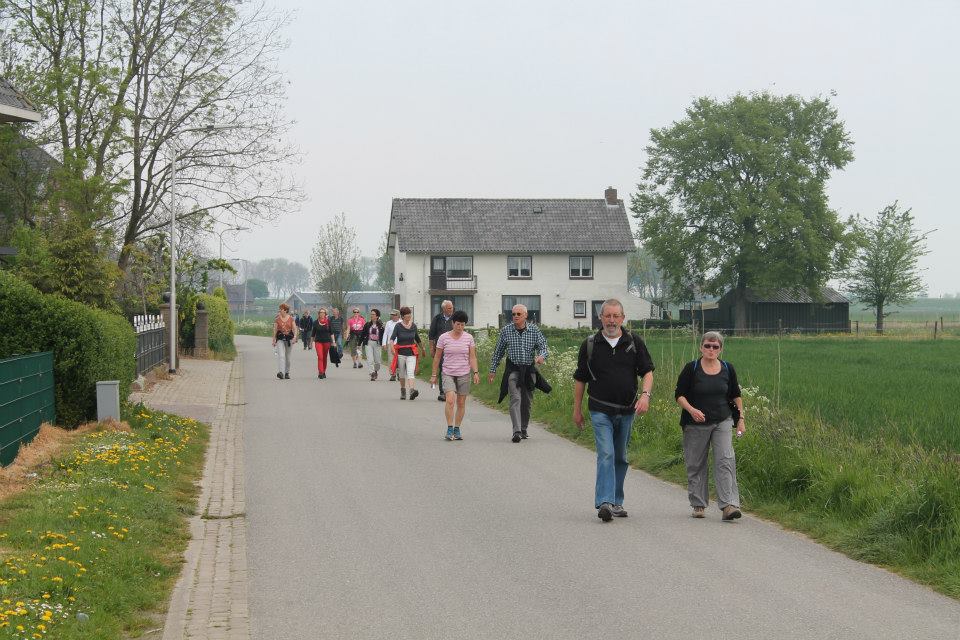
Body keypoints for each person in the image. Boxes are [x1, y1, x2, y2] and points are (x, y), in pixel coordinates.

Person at [572, 299, 655, 522]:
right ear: (601, 318)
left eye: (615, 316)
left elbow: (647, 372)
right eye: (607, 316)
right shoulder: (590, 344)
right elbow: (580, 379)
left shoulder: (634, 342)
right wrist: (577, 410)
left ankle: (617, 502)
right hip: (600, 409)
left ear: (623, 317)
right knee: (606, 453)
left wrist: (645, 396)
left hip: (627, 410)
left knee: (621, 456)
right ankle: (605, 502)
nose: (611, 320)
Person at [675, 331, 745, 521]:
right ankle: (698, 504)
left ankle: (728, 505)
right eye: (707, 346)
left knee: (725, 460)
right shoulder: (692, 368)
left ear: (720, 349)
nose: (711, 349)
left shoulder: (727, 368)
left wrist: (741, 418)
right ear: (701, 347)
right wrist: (691, 410)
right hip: (695, 424)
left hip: (722, 420)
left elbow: (735, 395)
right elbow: (679, 395)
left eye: (715, 347)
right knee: (696, 463)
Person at [488, 304, 550, 443]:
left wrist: (541, 356)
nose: (515, 316)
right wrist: (493, 370)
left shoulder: (534, 330)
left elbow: (544, 347)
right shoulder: (506, 331)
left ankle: (523, 429)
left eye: (518, 314)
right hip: (513, 370)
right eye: (513, 314)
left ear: (525, 316)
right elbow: (498, 352)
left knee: (526, 402)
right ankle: (516, 431)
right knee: (515, 398)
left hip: (529, 371)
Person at [430, 310, 480, 441]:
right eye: (458, 324)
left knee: (461, 403)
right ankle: (449, 427)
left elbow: (472, 357)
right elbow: (437, 357)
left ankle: (457, 429)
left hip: (464, 373)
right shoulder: (443, 337)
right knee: (450, 400)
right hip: (448, 373)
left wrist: (475, 372)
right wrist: (434, 375)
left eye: (463, 325)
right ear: (453, 323)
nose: (460, 327)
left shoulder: (469, 338)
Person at [390, 306, 422, 400]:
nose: (409, 316)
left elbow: (417, 339)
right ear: (403, 316)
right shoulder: (398, 326)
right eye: (407, 315)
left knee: (410, 372)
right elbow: (392, 339)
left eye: (410, 314)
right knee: (402, 374)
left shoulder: (413, 326)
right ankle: (403, 390)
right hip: (400, 353)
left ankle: (412, 390)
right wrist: (392, 348)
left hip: (411, 353)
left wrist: (423, 348)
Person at [429, 300, 455, 401]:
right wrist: (431, 348)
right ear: (443, 309)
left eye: (452, 308)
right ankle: (442, 392)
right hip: (441, 349)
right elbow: (431, 334)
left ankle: (452, 390)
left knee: (453, 369)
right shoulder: (437, 318)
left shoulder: (455, 318)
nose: (451, 310)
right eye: (449, 308)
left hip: (453, 349)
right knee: (443, 369)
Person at [272, 303, 297, 379]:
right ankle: (281, 373)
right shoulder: (277, 319)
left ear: (285, 310)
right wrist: (274, 340)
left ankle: (287, 372)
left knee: (288, 357)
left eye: (281, 309)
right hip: (280, 338)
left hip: (289, 339)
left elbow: (295, 329)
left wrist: (295, 337)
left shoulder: (291, 319)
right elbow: (275, 330)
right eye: (280, 309)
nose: (280, 310)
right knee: (281, 356)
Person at [361, 309, 385, 381]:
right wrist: (359, 344)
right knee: (370, 360)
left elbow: (384, 335)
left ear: (377, 316)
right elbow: (363, 334)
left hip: (377, 344)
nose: (371, 315)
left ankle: (376, 371)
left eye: (373, 314)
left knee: (377, 361)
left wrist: (384, 344)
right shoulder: (367, 324)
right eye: (371, 314)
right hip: (369, 343)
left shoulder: (381, 325)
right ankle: (372, 373)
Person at [311, 307, 333, 379]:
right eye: (321, 312)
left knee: (324, 357)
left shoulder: (328, 322)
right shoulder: (315, 322)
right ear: (319, 314)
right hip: (318, 342)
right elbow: (313, 333)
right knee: (320, 356)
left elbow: (331, 332)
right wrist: (311, 343)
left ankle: (324, 371)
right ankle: (321, 372)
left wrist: (334, 342)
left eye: (323, 312)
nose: (322, 314)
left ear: (325, 314)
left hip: (327, 341)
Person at [382, 309, 401, 381]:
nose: (392, 316)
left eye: (394, 315)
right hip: (391, 344)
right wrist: (384, 344)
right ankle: (392, 374)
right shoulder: (388, 323)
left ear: (398, 315)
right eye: (391, 315)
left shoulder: (401, 322)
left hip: (399, 344)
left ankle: (399, 373)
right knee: (391, 360)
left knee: (400, 360)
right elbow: (385, 333)